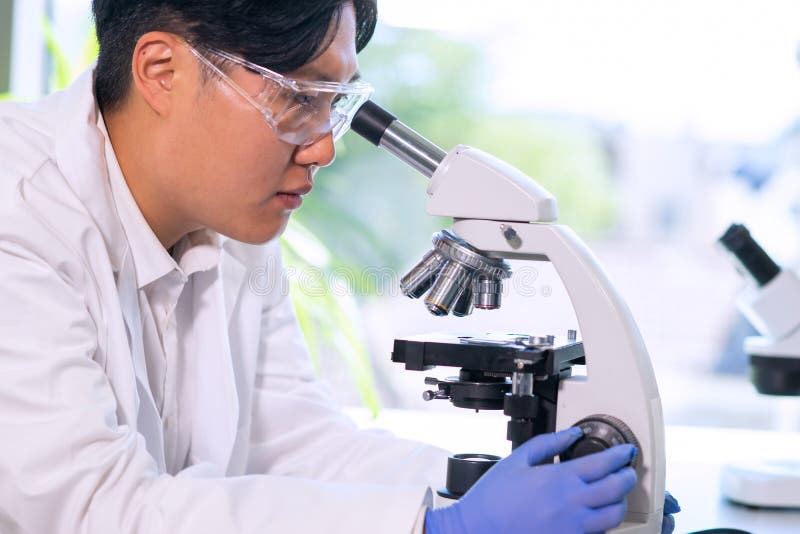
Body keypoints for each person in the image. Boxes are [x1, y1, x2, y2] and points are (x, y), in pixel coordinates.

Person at [0, 1, 677, 532]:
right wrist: (447, 529)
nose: (325, 148)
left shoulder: (235, 223)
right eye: (299, 98)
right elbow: (91, 512)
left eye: (337, 104)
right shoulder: (17, 210)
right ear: (161, 72)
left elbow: (293, 442)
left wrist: (484, 485)